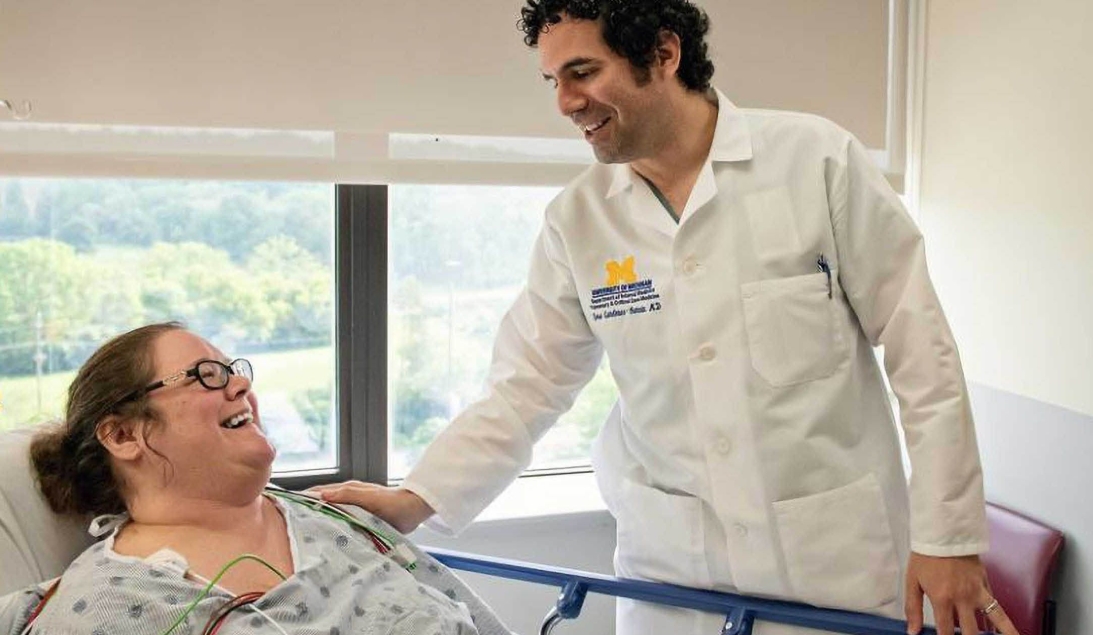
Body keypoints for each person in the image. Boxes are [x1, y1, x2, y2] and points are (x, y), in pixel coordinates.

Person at [313, 1, 1019, 634]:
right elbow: (525, 387)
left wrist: (949, 538)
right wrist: (417, 499)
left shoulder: (816, 161)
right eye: (553, 81)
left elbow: (921, 351)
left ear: (663, 52)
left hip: (831, 566)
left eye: (582, 71)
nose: (564, 102)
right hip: (672, 577)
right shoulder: (579, 220)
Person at [0, 322, 508, 635]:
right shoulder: (105, 606)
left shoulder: (343, 523)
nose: (242, 383)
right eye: (206, 375)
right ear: (123, 436)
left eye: (234, 369)